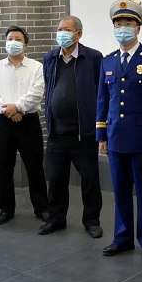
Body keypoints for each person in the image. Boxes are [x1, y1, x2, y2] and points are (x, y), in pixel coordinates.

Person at [97, 0, 142, 261]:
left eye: (128, 24)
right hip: (115, 137)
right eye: (118, 24)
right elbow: (103, 100)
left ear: (138, 29)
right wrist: (101, 134)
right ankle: (122, 237)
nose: (122, 28)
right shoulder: (108, 61)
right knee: (120, 191)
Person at [40, 16, 103, 238]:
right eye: (60, 29)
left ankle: (92, 220)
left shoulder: (93, 57)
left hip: (83, 133)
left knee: (90, 179)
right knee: (56, 179)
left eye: (67, 29)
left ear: (79, 34)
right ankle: (56, 219)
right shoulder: (50, 57)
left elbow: (101, 92)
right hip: (56, 132)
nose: (62, 33)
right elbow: (49, 86)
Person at [0, 25, 49, 225]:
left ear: (25, 45)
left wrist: (18, 107)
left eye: (18, 39)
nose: (13, 42)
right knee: (4, 167)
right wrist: (9, 111)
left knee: (34, 166)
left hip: (28, 122)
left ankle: (42, 208)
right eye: (10, 39)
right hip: (3, 122)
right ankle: (6, 209)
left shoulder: (37, 67)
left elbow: (37, 92)